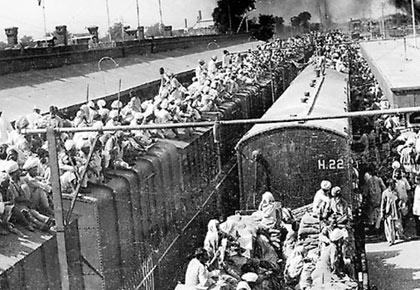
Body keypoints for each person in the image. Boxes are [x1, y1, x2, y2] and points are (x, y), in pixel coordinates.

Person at [380, 179, 406, 246]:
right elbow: (383, 203)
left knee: (398, 225)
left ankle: (400, 235)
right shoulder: (385, 193)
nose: (394, 185)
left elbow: (399, 199)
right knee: (389, 227)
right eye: (393, 184)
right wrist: (382, 213)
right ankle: (391, 240)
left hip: (396, 211)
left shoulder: (395, 192)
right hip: (388, 212)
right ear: (390, 185)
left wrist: (400, 204)